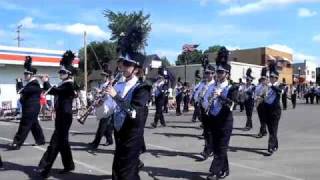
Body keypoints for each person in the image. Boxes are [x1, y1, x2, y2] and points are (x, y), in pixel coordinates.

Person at [37, 50, 77, 178]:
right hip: (61, 116)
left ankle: (45, 166)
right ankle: (69, 165)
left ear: (69, 74)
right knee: (63, 142)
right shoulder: (64, 84)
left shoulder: (69, 85)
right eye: (60, 71)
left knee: (55, 142)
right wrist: (44, 83)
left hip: (65, 117)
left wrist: (46, 82)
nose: (60, 73)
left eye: (63, 72)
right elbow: (53, 91)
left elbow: (55, 91)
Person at [207, 47, 238, 180]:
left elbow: (232, 104)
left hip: (225, 121)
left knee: (221, 146)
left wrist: (220, 96)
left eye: (221, 72)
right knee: (217, 146)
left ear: (227, 74)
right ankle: (225, 169)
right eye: (217, 72)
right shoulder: (213, 86)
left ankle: (215, 171)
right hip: (214, 120)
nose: (218, 74)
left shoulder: (232, 87)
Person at [10, 56, 45, 150]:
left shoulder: (34, 84)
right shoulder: (30, 84)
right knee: (34, 124)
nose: (24, 76)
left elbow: (20, 91)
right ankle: (40, 140)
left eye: (26, 74)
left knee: (24, 124)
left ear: (31, 75)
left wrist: (19, 82)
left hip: (31, 108)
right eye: (24, 74)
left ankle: (17, 143)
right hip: (30, 107)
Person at [88, 68, 114, 150]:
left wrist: (100, 92)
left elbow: (107, 96)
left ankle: (96, 143)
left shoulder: (110, 85)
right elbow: (100, 96)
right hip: (102, 107)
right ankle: (110, 140)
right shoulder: (102, 85)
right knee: (107, 126)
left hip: (108, 108)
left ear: (107, 77)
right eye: (102, 75)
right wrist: (97, 94)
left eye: (104, 76)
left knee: (102, 126)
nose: (102, 77)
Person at [263, 61, 282, 155]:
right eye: (270, 77)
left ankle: (270, 147)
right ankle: (275, 144)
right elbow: (265, 96)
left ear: (276, 78)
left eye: (272, 77)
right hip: (267, 110)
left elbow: (280, 91)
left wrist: (271, 86)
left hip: (275, 111)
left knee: (274, 129)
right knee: (271, 130)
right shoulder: (268, 86)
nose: (270, 78)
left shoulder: (279, 85)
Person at [197, 65, 215, 159]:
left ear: (213, 74)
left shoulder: (215, 84)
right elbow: (197, 95)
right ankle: (208, 148)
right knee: (206, 130)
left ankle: (208, 150)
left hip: (211, 110)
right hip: (203, 109)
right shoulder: (203, 84)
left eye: (209, 73)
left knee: (210, 131)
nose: (206, 75)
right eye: (206, 73)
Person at [254, 68, 269, 138]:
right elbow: (255, 94)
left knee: (264, 118)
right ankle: (264, 131)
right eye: (262, 79)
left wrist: (262, 96)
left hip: (265, 104)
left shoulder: (268, 87)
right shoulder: (258, 86)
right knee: (261, 118)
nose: (263, 81)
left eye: (264, 79)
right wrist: (256, 98)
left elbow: (267, 96)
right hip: (259, 104)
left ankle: (261, 132)